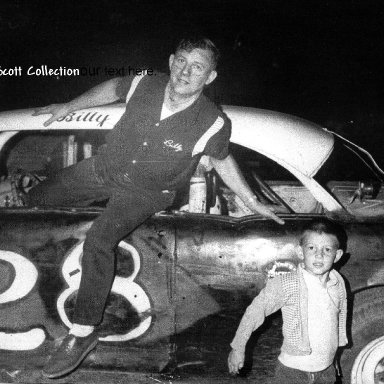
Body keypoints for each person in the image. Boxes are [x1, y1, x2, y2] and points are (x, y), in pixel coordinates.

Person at [30, 37, 284, 378]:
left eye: (197, 67)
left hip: (146, 193)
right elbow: (112, 88)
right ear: (170, 60)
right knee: (36, 200)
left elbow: (223, 161)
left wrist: (252, 201)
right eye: (181, 61)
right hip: (104, 169)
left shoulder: (212, 121)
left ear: (209, 77)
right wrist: (69, 106)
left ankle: (83, 331)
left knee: (100, 240)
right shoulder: (144, 84)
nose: (185, 71)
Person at [228, 219, 348, 384]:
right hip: (292, 372)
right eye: (311, 248)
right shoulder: (287, 283)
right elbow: (256, 311)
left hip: (326, 371)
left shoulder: (338, 283)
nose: (319, 255)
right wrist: (238, 347)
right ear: (300, 252)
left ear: (337, 255)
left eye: (327, 249)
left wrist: (335, 360)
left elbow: (336, 323)